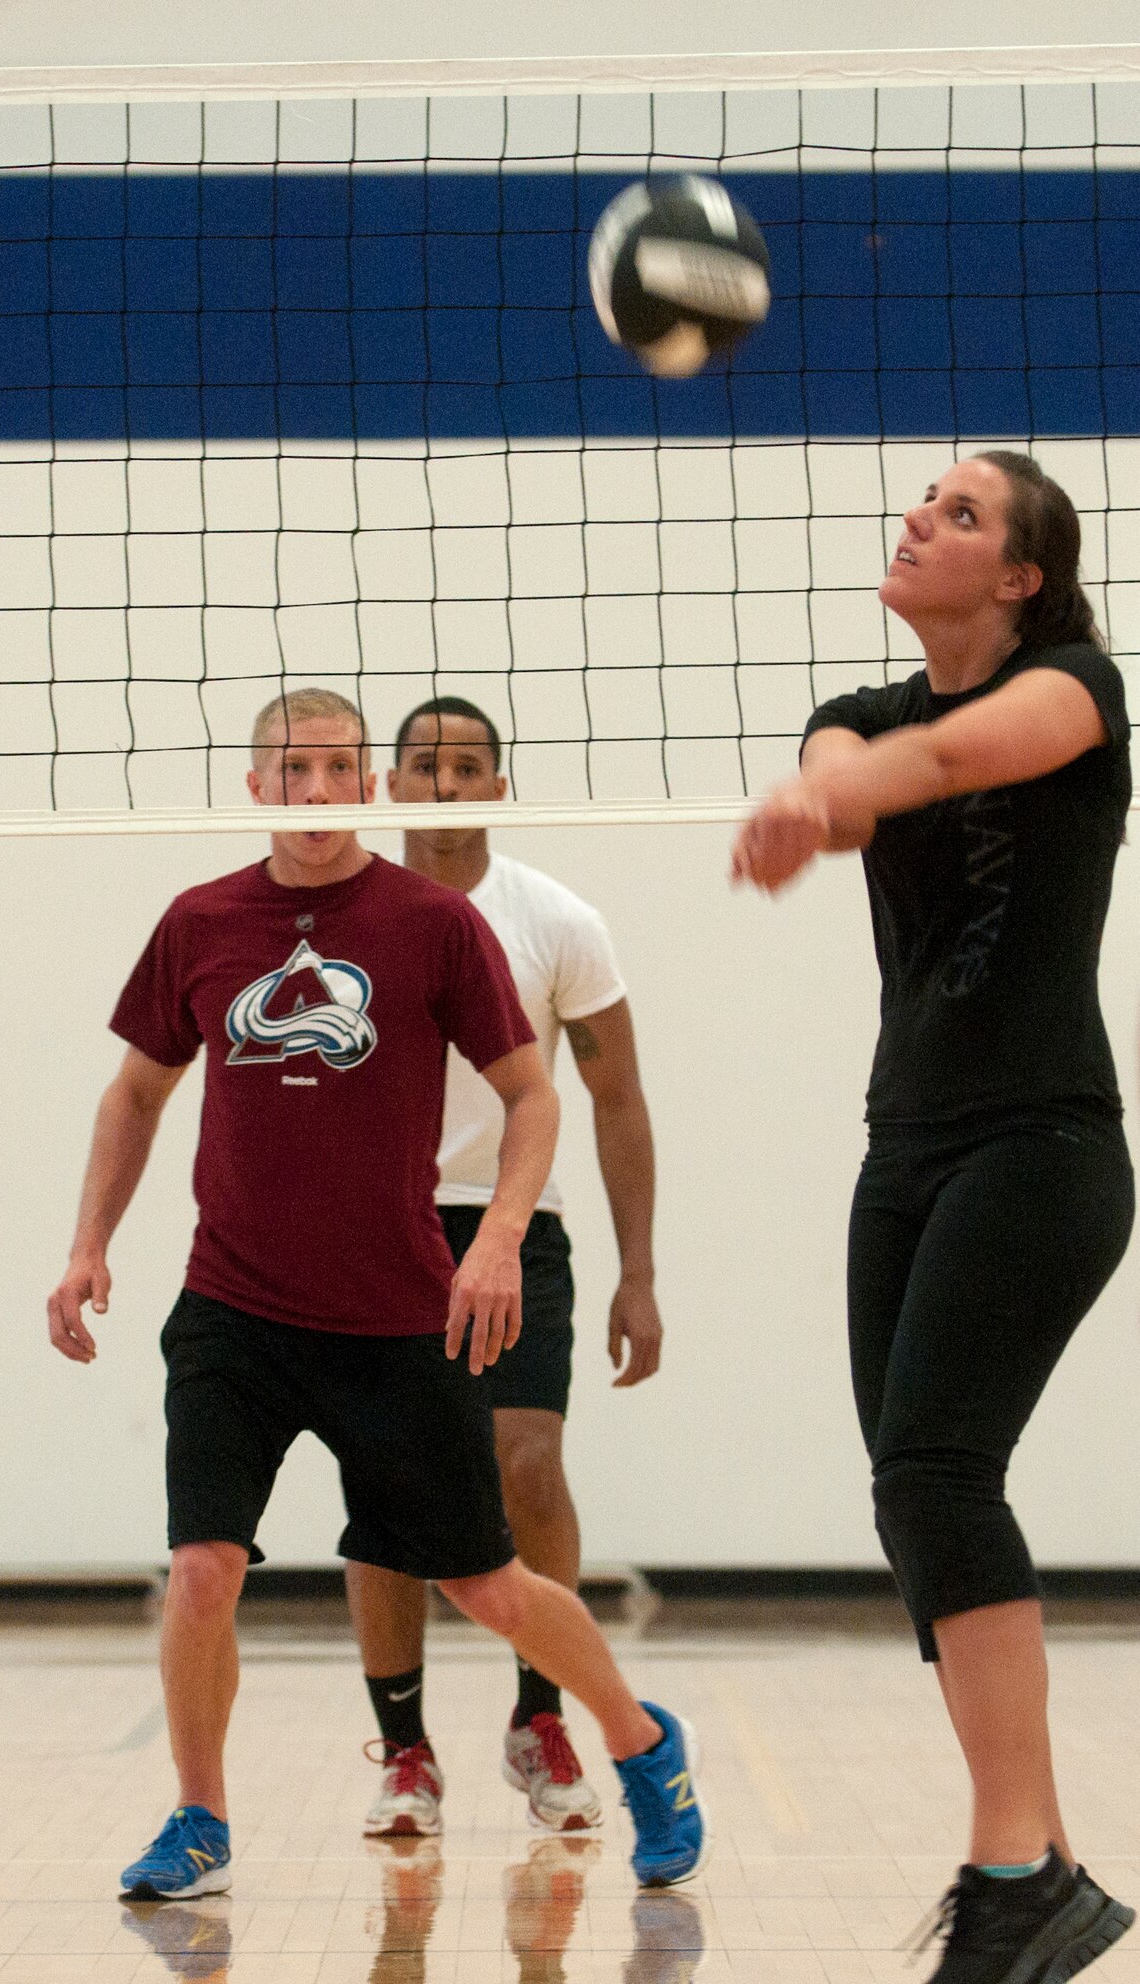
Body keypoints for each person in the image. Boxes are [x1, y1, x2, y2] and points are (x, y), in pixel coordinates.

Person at [46, 685, 706, 1897]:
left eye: (338, 768)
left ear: (368, 785)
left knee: (484, 1579)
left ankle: (640, 1740)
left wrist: (502, 1233)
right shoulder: (199, 921)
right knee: (203, 1566)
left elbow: (538, 1093)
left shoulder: (432, 923)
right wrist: (89, 1242)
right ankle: (201, 1817)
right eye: (292, 770)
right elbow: (135, 1092)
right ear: (256, 787)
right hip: (233, 1310)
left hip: (398, 1313)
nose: (315, 791)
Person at [731, 451, 1135, 1983]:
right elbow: (847, 762)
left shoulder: (1077, 691)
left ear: (1021, 576)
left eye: (960, 515)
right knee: (912, 1495)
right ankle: (1037, 1868)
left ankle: (1013, 1863)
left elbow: (952, 767)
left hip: (1041, 1147)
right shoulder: (860, 711)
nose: (919, 521)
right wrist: (817, 786)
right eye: (921, 502)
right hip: (900, 1148)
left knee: (941, 1472)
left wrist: (830, 795)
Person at [348, 696, 662, 1838]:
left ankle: (540, 1719)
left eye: (465, 764)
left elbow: (616, 1098)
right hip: (380, 1232)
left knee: (524, 1460)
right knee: (385, 1491)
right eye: (424, 764)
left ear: (498, 783)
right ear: (390, 782)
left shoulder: (555, 919)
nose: (442, 783)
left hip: (518, 1222)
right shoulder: (342, 914)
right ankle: (405, 1749)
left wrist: (638, 1270)